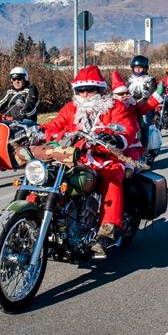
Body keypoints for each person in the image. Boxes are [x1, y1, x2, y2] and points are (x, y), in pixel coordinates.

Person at [41, 65, 137, 257]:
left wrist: (117, 139)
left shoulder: (114, 107)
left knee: (112, 178)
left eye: (90, 90)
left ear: (101, 90)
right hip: (76, 156)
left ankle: (106, 231)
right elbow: (55, 125)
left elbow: (128, 128)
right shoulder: (71, 108)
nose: (85, 94)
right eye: (80, 90)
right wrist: (37, 131)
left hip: (106, 157)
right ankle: (36, 220)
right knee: (46, 175)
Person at [110, 71, 162, 166]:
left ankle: (145, 149)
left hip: (133, 138)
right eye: (121, 94)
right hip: (116, 138)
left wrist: (157, 96)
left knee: (132, 161)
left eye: (127, 93)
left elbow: (145, 108)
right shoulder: (109, 107)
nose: (125, 95)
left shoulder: (132, 104)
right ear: (115, 95)